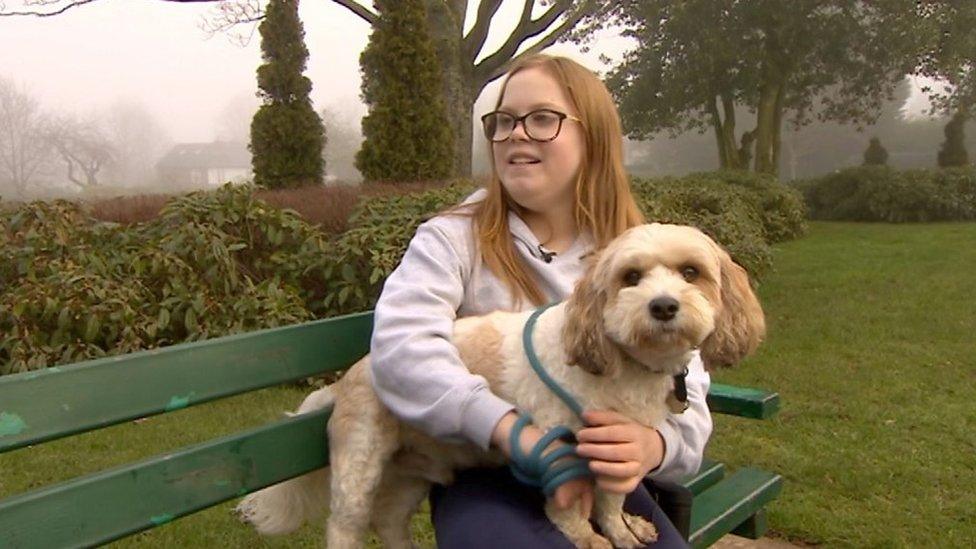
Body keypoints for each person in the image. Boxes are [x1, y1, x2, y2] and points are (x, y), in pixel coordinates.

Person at [369, 53, 712, 548]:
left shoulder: (636, 258)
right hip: (483, 473)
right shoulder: (451, 239)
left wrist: (655, 445)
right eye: (503, 121)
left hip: (598, 476)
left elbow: (688, 389)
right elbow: (401, 350)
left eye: (543, 119)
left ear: (593, 137)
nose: (516, 134)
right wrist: (510, 431)